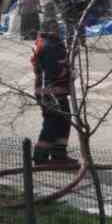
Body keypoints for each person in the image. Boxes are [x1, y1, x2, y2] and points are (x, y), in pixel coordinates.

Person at [31, 19, 76, 167]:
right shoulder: (50, 46)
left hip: (54, 92)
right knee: (52, 124)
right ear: (48, 29)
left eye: (58, 27)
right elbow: (54, 70)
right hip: (52, 93)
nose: (58, 30)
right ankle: (40, 156)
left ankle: (59, 155)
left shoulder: (48, 43)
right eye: (55, 28)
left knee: (63, 122)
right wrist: (69, 72)